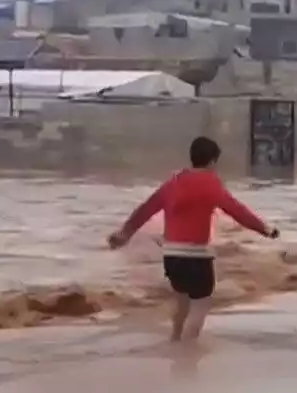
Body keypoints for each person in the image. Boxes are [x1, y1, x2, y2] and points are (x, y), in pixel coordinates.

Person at [108, 136, 279, 343]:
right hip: (197, 257)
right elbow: (237, 211)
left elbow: (145, 209)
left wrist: (124, 234)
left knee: (182, 300)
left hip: (171, 256)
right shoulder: (211, 184)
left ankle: (175, 339)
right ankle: (186, 352)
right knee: (200, 305)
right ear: (212, 162)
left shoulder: (173, 183)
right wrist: (266, 230)